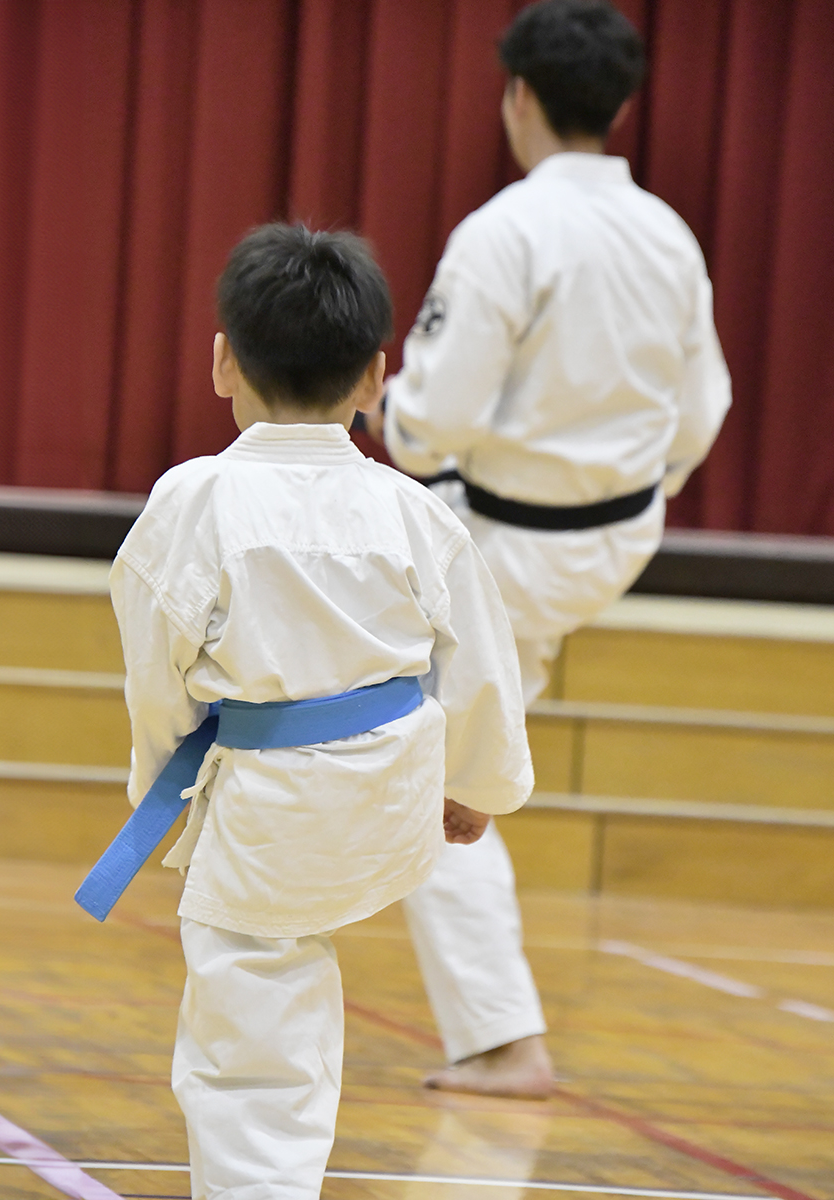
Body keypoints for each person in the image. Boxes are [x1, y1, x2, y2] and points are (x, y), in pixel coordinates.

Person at [109, 224, 534, 1199]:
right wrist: (475, 790)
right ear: (377, 377)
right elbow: (477, 667)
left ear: (222, 360)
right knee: (299, 954)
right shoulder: (417, 513)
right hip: (389, 802)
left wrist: (163, 793)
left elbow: (156, 678)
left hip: (265, 810)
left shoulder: (193, 500)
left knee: (254, 1023)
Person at [371, 0, 732, 1098]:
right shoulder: (669, 231)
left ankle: (501, 1040)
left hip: (502, 554)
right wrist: (623, 490)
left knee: (431, 769)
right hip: (615, 539)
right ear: (620, 106)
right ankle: (494, 1031)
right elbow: (702, 408)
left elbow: (430, 423)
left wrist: (392, 416)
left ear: (517, 95)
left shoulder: (504, 233)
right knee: (452, 737)